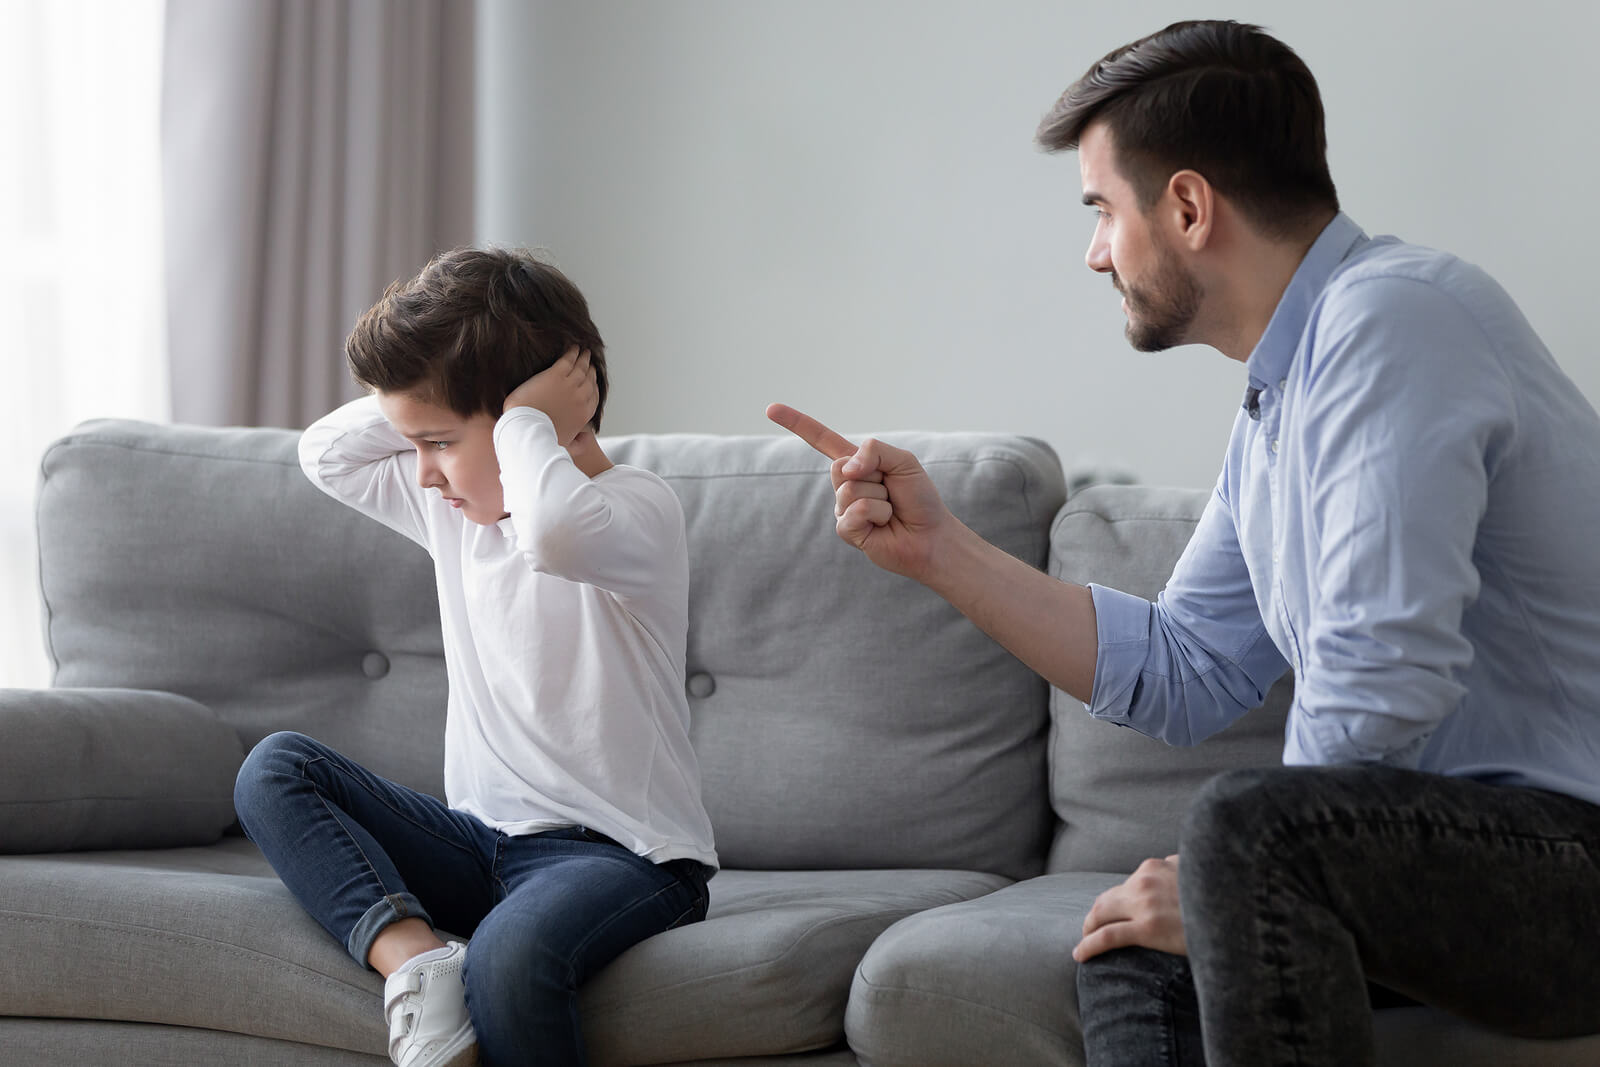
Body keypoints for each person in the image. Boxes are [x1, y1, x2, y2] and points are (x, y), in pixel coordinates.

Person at [768, 18, 1600, 1067]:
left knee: (1240, 833)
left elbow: (1380, 676)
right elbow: (1185, 665)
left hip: (1569, 863)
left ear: (1190, 207)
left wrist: (1240, 869)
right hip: (1431, 863)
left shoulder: (1392, 323)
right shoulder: (1276, 406)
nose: (1093, 251)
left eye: (1102, 211)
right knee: (1127, 937)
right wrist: (940, 549)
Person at [234, 248, 717, 1067]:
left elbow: (555, 534)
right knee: (275, 770)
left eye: (439, 443)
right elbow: (325, 454)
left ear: (543, 421)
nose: (421, 474)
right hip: (478, 841)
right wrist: (466, 397)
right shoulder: (453, 512)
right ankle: (418, 961)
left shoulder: (638, 512)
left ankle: (461, 961)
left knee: (511, 957)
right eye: (412, 443)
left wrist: (529, 417)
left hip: (627, 857)